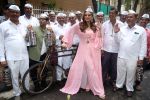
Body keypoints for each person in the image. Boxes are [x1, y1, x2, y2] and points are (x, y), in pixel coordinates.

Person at [60, 7, 105, 99]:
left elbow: (99, 39)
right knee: (84, 67)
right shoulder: (79, 25)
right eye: (86, 15)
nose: (87, 17)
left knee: (91, 68)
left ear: (92, 16)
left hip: (93, 50)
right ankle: (97, 90)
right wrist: (65, 42)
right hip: (82, 49)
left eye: (89, 15)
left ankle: (88, 86)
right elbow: (70, 32)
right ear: (83, 16)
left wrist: (100, 30)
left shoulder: (95, 26)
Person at [114, 10, 147, 97]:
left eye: (131, 17)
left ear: (136, 18)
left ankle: (129, 88)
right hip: (121, 55)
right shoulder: (122, 28)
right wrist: (116, 32)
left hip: (133, 57)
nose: (128, 18)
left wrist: (141, 58)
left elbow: (143, 45)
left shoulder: (141, 30)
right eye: (128, 17)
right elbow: (117, 41)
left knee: (131, 73)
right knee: (120, 72)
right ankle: (119, 85)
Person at [0, 5, 29, 100]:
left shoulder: (23, 25)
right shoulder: (3, 26)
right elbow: (0, 43)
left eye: (17, 12)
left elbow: (27, 40)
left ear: (19, 14)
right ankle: (17, 93)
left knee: (26, 74)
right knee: (14, 76)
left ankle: (27, 89)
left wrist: (30, 33)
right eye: (12, 11)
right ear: (8, 12)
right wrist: (2, 58)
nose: (15, 14)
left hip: (24, 54)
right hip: (12, 56)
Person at [28, 13, 56, 91]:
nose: (41, 20)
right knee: (33, 70)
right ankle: (36, 85)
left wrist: (52, 32)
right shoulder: (34, 28)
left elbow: (54, 41)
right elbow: (27, 39)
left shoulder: (49, 30)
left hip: (44, 54)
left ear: (47, 21)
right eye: (40, 19)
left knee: (45, 69)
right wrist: (29, 30)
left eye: (43, 19)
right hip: (34, 54)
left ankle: (43, 83)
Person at [101, 7, 124, 87]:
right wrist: (102, 48)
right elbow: (102, 37)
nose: (111, 14)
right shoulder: (104, 24)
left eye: (113, 13)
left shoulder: (121, 25)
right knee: (104, 66)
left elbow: (122, 38)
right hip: (106, 49)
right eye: (110, 13)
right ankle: (102, 82)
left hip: (116, 50)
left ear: (116, 14)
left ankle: (113, 81)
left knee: (114, 68)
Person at [135, 14, 150, 91]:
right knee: (132, 69)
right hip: (134, 53)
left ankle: (138, 84)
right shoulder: (135, 29)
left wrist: (149, 55)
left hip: (144, 54)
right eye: (142, 19)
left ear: (148, 21)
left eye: (146, 20)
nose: (143, 21)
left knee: (140, 70)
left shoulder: (148, 32)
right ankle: (130, 82)